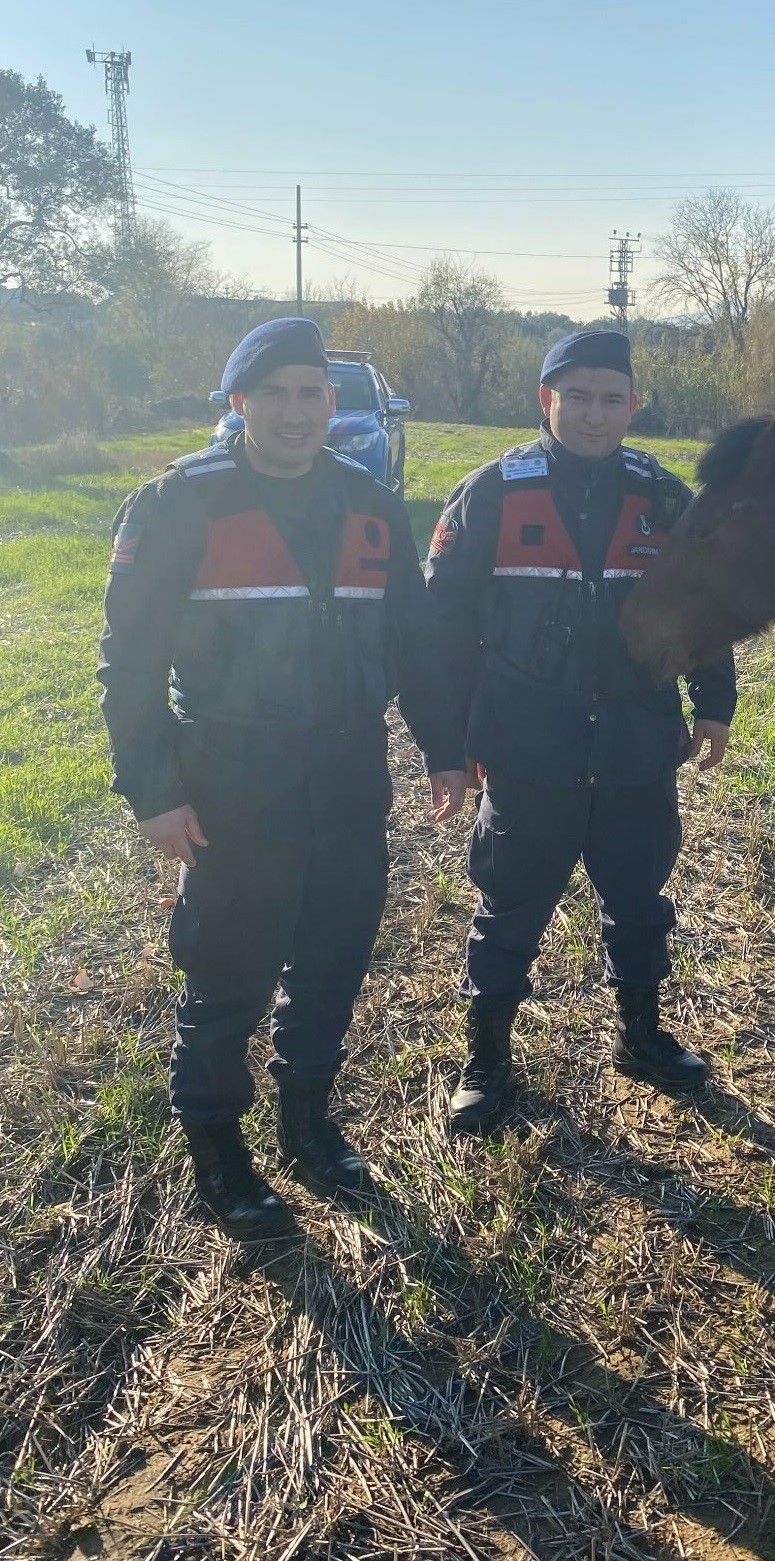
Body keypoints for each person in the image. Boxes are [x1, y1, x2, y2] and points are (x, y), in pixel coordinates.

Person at [98, 317, 468, 1243]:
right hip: (231, 775)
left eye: (312, 394)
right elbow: (128, 664)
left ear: (332, 405)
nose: (296, 412)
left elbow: (414, 642)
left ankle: (307, 1122)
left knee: (335, 960)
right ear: (238, 403)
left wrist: (444, 745)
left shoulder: (371, 503)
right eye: (275, 394)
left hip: (347, 769)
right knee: (228, 974)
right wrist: (153, 789)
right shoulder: (177, 503)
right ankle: (220, 1154)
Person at [425, 329, 736, 1132]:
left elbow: (704, 607)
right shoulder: (490, 492)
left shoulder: (665, 497)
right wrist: (448, 741)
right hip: (529, 746)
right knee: (511, 906)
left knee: (638, 900)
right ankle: (487, 1061)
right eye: (578, 397)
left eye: (611, 399)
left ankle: (640, 1038)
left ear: (633, 404)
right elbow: (443, 629)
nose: (595, 416)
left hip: (636, 743)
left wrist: (715, 699)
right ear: (545, 400)